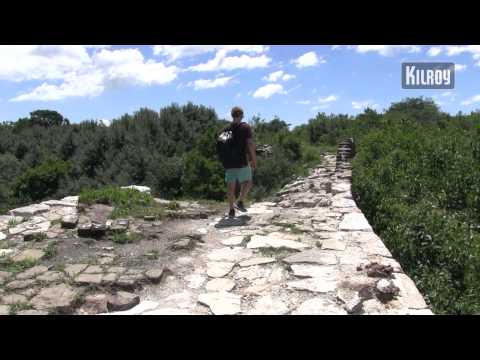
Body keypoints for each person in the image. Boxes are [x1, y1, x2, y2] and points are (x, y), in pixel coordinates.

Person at [222, 106, 256, 218]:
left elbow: (222, 146)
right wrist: (254, 159)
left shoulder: (227, 129)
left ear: (232, 115)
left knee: (230, 186)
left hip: (229, 162)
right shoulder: (245, 127)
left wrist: (224, 160)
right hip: (242, 161)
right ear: (241, 115)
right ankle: (240, 201)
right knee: (248, 182)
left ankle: (231, 210)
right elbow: (250, 144)